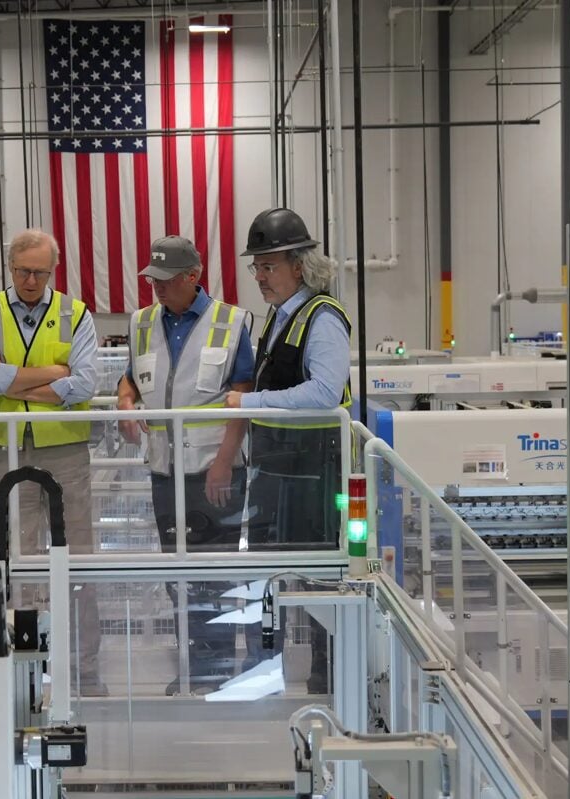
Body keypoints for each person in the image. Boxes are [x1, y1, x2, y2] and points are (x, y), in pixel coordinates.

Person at [0, 229, 106, 696]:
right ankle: (24, 658)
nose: (30, 280)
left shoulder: (76, 313)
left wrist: (16, 383)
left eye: (40, 272)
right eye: (23, 271)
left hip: (66, 451)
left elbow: (86, 384)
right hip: (6, 449)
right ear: (10, 267)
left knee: (79, 558)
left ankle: (85, 666)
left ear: (53, 270)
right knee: (16, 558)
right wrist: (52, 376)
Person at [116, 236, 254, 695]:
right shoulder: (141, 323)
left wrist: (223, 463)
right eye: (151, 278)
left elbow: (242, 397)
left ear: (192, 277)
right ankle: (194, 664)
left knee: (213, 573)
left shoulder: (231, 323)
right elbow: (131, 377)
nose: (155, 287)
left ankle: (217, 669)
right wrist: (125, 400)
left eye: (165, 280)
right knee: (178, 575)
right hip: (164, 471)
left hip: (213, 471)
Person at [226, 208, 353, 694]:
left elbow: (324, 393)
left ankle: (330, 679)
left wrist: (250, 402)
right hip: (283, 473)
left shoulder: (322, 318)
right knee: (284, 576)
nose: (259, 276)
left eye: (268, 266)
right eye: (255, 267)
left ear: (299, 265)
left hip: (316, 473)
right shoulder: (280, 318)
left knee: (321, 583)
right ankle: (289, 672)